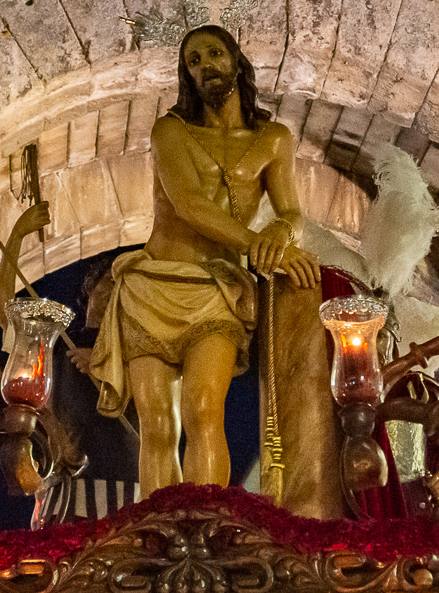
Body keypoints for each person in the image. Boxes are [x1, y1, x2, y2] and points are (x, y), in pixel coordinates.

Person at [89, 25, 320, 495]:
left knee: (203, 410)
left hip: (217, 289)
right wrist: (259, 243)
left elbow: (292, 211)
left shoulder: (274, 139)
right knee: (157, 425)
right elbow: (190, 205)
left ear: (237, 61)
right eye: (194, 61)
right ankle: (159, 538)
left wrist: (282, 230)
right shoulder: (170, 130)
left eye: (215, 54)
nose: (205, 66)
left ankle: (209, 529)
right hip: (153, 285)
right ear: (186, 74)